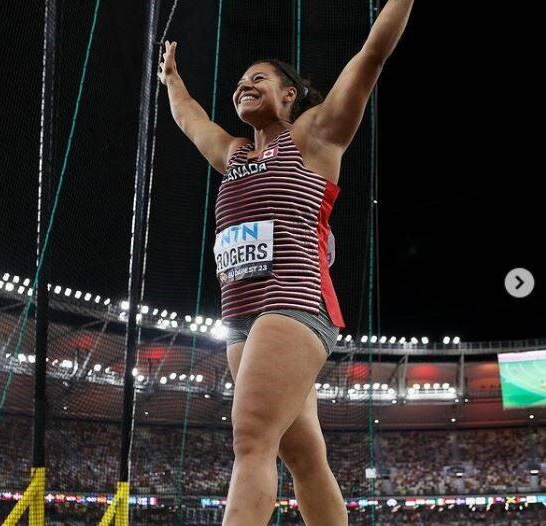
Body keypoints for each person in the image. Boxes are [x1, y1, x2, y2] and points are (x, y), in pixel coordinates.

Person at [158, 1, 414, 523]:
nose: (242, 87)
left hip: (294, 302)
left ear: (289, 94)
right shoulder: (233, 155)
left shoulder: (315, 136)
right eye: (237, 84)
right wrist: (171, 81)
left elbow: (372, 54)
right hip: (240, 320)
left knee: (251, 438)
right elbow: (191, 121)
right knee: (303, 456)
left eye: (258, 79)